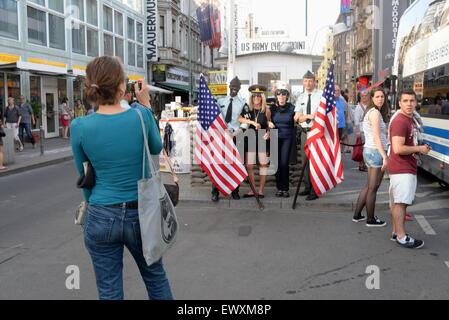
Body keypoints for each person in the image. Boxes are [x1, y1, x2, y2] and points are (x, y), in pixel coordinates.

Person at [70, 55, 173, 299]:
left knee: (109, 290)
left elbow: (85, 179)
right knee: (156, 279)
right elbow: (157, 147)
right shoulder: (141, 116)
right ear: (121, 86)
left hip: (101, 213)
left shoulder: (79, 127)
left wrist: (93, 205)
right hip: (141, 213)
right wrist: (146, 104)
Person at [388, 90, 430, 249]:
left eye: (412, 101)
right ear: (399, 103)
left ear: (416, 102)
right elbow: (398, 148)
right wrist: (419, 148)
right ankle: (401, 236)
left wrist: (418, 148)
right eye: (405, 101)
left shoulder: (409, 119)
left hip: (404, 167)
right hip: (402, 168)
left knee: (400, 202)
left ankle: (395, 232)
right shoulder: (401, 121)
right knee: (400, 203)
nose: (409, 104)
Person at [353, 87, 389, 226]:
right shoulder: (375, 114)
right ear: (372, 99)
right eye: (377, 97)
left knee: (369, 186)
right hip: (375, 152)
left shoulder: (372, 112)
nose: (380, 99)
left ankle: (357, 215)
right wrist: (384, 156)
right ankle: (370, 219)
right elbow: (376, 136)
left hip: (370, 150)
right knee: (373, 187)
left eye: (382, 96)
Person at [213, 77, 247, 202]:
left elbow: (245, 121)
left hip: (236, 136)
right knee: (219, 164)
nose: (234, 89)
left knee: (235, 165)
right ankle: (215, 191)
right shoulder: (220, 101)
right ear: (229, 87)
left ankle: (235, 191)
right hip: (222, 136)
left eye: (237, 88)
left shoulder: (243, 103)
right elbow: (215, 118)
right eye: (232, 87)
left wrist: (238, 132)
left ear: (239, 89)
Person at [294, 70, 323, 201]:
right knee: (305, 162)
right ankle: (307, 187)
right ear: (303, 82)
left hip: (317, 133)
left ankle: (315, 190)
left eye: (310, 80)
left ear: (315, 82)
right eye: (306, 81)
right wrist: (309, 116)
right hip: (305, 133)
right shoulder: (300, 97)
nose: (308, 83)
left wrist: (303, 116)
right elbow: (297, 118)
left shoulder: (321, 95)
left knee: (315, 162)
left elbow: (323, 115)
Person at [238, 84, 271, 198]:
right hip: (251, 138)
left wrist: (269, 133)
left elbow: (270, 125)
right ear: (251, 97)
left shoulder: (266, 110)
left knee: (263, 165)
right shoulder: (248, 108)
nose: (256, 98)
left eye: (258, 96)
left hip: (262, 139)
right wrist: (252, 122)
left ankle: (260, 190)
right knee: (250, 166)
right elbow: (240, 118)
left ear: (262, 97)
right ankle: (252, 190)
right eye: (254, 96)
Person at [271, 82, 296, 198]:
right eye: (279, 94)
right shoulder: (272, 108)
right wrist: (268, 122)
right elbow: (265, 119)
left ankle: (285, 188)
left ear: (287, 95)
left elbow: (298, 119)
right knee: (276, 164)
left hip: (287, 137)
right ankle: (279, 188)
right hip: (275, 137)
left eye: (284, 94)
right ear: (276, 95)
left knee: (284, 163)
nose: (281, 96)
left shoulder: (292, 108)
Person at [354, 90, 370, 171]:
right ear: (360, 97)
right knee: (361, 149)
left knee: (366, 148)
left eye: (366, 95)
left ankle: (365, 164)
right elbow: (356, 121)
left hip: (368, 131)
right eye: (363, 96)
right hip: (361, 130)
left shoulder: (370, 106)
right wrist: (358, 132)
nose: (364, 97)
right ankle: (361, 164)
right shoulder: (358, 107)